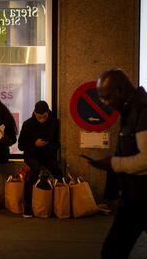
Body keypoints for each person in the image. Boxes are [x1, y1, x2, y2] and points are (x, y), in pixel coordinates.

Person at [86, 68, 147, 259]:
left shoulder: (142, 111)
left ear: (120, 90)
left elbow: (146, 159)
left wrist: (113, 164)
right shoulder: (131, 110)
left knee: (113, 251)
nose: (106, 104)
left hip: (142, 198)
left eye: (106, 97)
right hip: (133, 198)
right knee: (112, 251)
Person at [18, 100, 62, 218]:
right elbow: (21, 145)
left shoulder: (54, 123)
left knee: (58, 172)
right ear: (34, 113)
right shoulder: (28, 124)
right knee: (34, 170)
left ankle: (58, 205)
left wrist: (48, 146)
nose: (42, 119)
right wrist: (34, 144)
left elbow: (57, 144)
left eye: (44, 117)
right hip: (31, 154)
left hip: (47, 155)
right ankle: (27, 207)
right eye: (39, 117)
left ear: (48, 113)